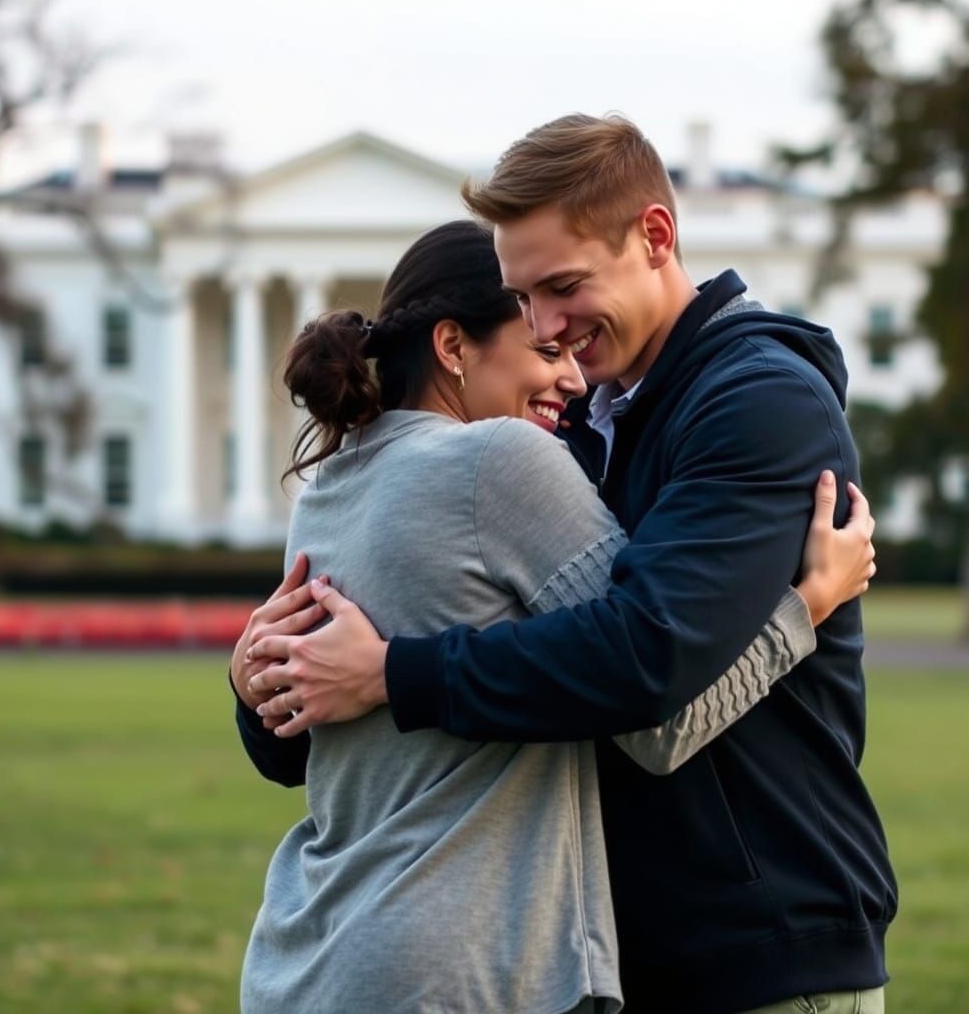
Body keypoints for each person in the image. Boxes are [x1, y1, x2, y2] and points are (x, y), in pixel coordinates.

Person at [241, 117, 896, 1014]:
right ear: (455, 345)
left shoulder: (757, 401)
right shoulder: (555, 436)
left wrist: (391, 673)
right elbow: (322, 725)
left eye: (563, 289)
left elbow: (644, 665)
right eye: (526, 304)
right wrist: (268, 689)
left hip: (760, 946)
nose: (552, 332)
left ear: (656, 238)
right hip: (602, 950)